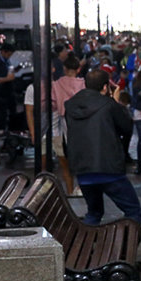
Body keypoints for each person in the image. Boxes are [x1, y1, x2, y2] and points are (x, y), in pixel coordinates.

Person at [64, 69, 141, 225]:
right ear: (106, 87)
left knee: (94, 212)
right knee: (133, 211)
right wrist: (116, 102)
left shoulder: (71, 105)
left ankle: (86, 246)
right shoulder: (109, 104)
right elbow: (126, 127)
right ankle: (126, 246)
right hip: (108, 167)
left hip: (83, 169)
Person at [51, 56, 86, 194]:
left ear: (64, 68)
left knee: (68, 149)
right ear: (78, 69)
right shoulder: (83, 83)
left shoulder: (57, 84)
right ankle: (81, 187)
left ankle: (71, 191)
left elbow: (53, 102)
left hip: (64, 118)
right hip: (82, 119)